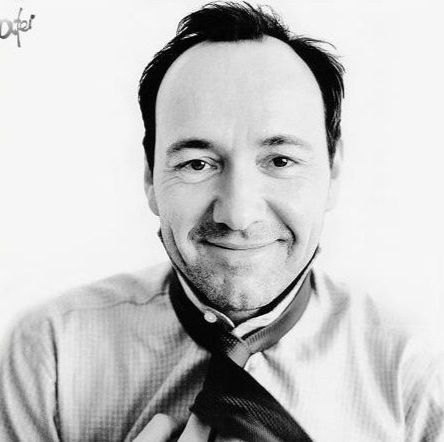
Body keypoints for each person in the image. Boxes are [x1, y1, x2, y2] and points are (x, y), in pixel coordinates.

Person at [1, 2, 443, 441]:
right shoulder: (49, 354)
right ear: (150, 176)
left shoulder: (414, 370)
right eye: (197, 164)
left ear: (334, 170)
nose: (237, 215)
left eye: (280, 160)